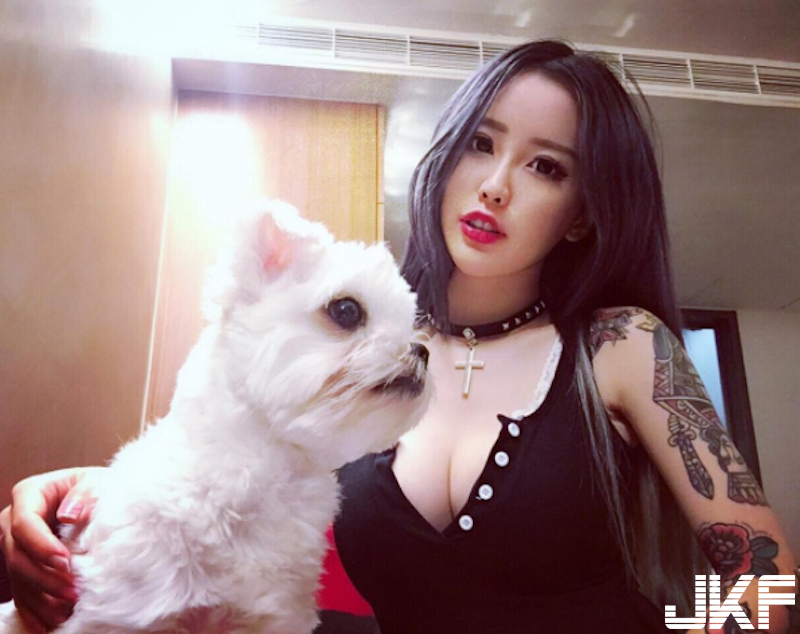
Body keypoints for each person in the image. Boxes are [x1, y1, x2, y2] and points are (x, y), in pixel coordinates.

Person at [1, 40, 797, 634]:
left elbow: (770, 582)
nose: (496, 184)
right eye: (481, 143)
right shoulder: (360, 357)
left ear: (583, 215)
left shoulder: (620, 344)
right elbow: (233, 465)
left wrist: (683, 629)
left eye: (546, 167)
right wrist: (83, 497)